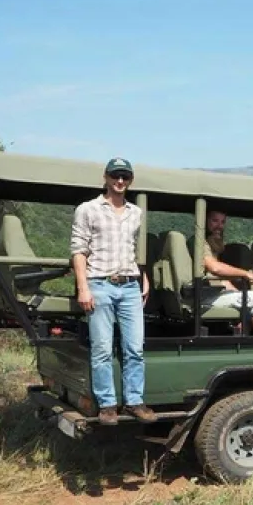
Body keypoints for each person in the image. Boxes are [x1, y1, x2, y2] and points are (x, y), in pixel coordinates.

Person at [70, 157, 156, 425]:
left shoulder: (136, 213)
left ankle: (134, 401)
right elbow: (78, 250)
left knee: (134, 347)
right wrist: (83, 288)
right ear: (106, 177)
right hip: (100, 283)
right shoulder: (87, 209)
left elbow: (134, 249)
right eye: (115, 176)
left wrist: (144, 277)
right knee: (102, 348)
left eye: (125, 177)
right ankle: (107, 405)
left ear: (130, 180)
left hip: (130, 284)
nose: (120, 181)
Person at [200, 209, 253, 336]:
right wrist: (245, 274)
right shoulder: (200, 243)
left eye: (222, 222)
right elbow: (215, 268)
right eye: (214, 221)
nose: (219, 226)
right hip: (202, 296)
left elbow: (219, 279)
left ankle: (241, 340)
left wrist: (239, 293)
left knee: (248, 299)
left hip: (210, 291)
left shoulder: (212, 244)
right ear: (204, 221)